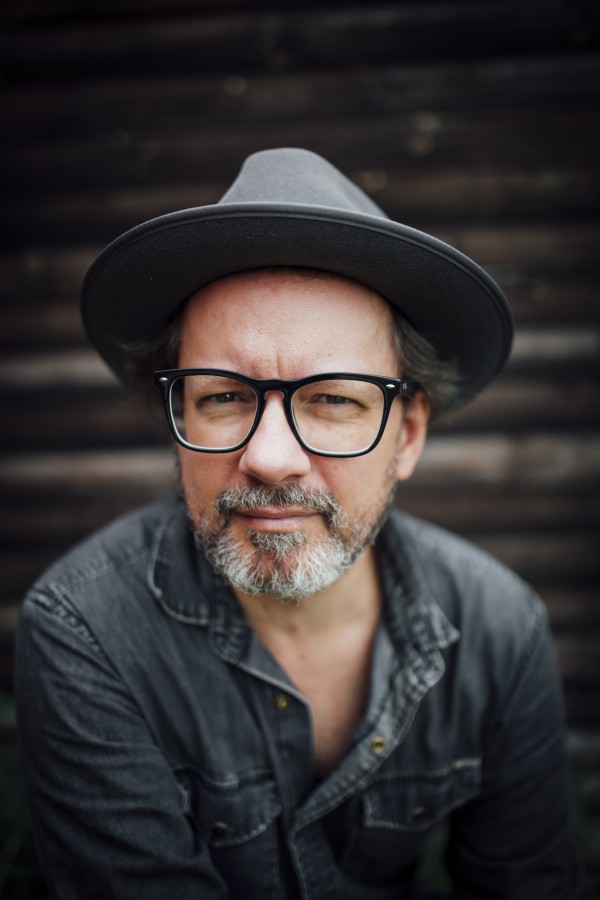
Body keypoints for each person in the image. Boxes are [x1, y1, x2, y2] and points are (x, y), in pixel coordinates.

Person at [16, 148, 585, 899]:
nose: (271, 459)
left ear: (408, 434)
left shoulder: (499, 627)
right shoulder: (85, 630)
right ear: (177, 418)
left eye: (334, 399)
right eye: (223, 396)